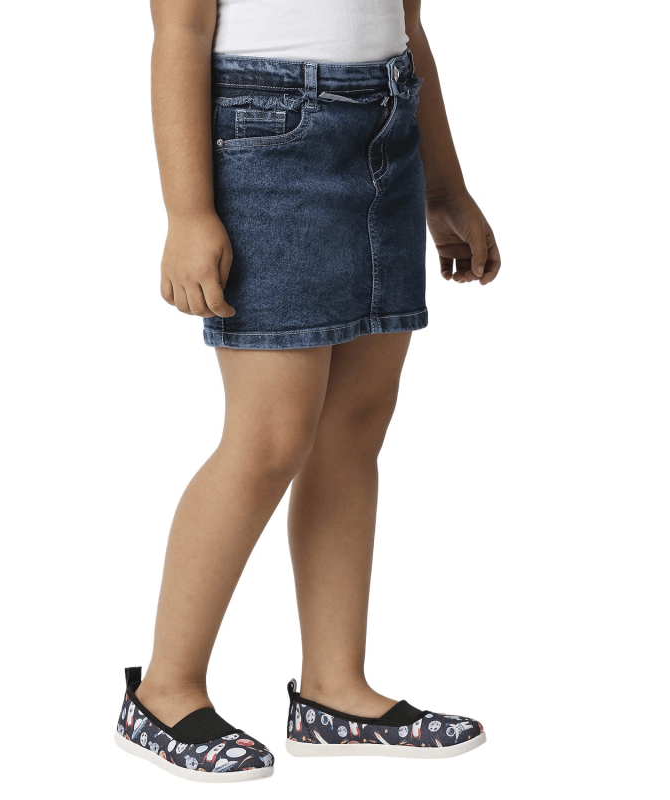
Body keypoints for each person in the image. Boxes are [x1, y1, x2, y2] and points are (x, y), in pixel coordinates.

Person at [113, 0, 500, 781]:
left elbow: (409, 24)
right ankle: (164, 691)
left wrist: (445, 189)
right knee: (270, 437)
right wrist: (188, 212)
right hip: (268, 137)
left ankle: (334, 690)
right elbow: (181, 30)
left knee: (353, 429)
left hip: (388, 129)